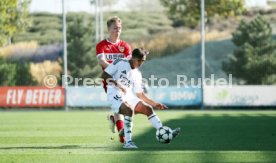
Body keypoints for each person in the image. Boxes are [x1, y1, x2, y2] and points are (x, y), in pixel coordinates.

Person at [102, 48, 181, 149]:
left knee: (147, 108)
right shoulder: (120, 62)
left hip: (127, 95)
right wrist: (118, 84)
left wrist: (155, 103)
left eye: (143, 61)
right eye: (139, 60)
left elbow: (140, 94)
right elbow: (104, 75)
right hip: (114, 93)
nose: (141, 63)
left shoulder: (137, 74)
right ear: (133, 57)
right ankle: (128, 142)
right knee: (129, 110)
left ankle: (163, 131)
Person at [96, 16, 131, 143]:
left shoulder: (125, 46)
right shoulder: (101, 45)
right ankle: (123, 136)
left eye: (120, 28)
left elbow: (130, 63)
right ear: (109, 29)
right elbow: (101, 60)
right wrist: (115, 69)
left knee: (121, 107)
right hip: (109, 80)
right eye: (115, 28)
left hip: (123, 80)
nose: (118, 30)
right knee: (121, 106)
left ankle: (116, 123)